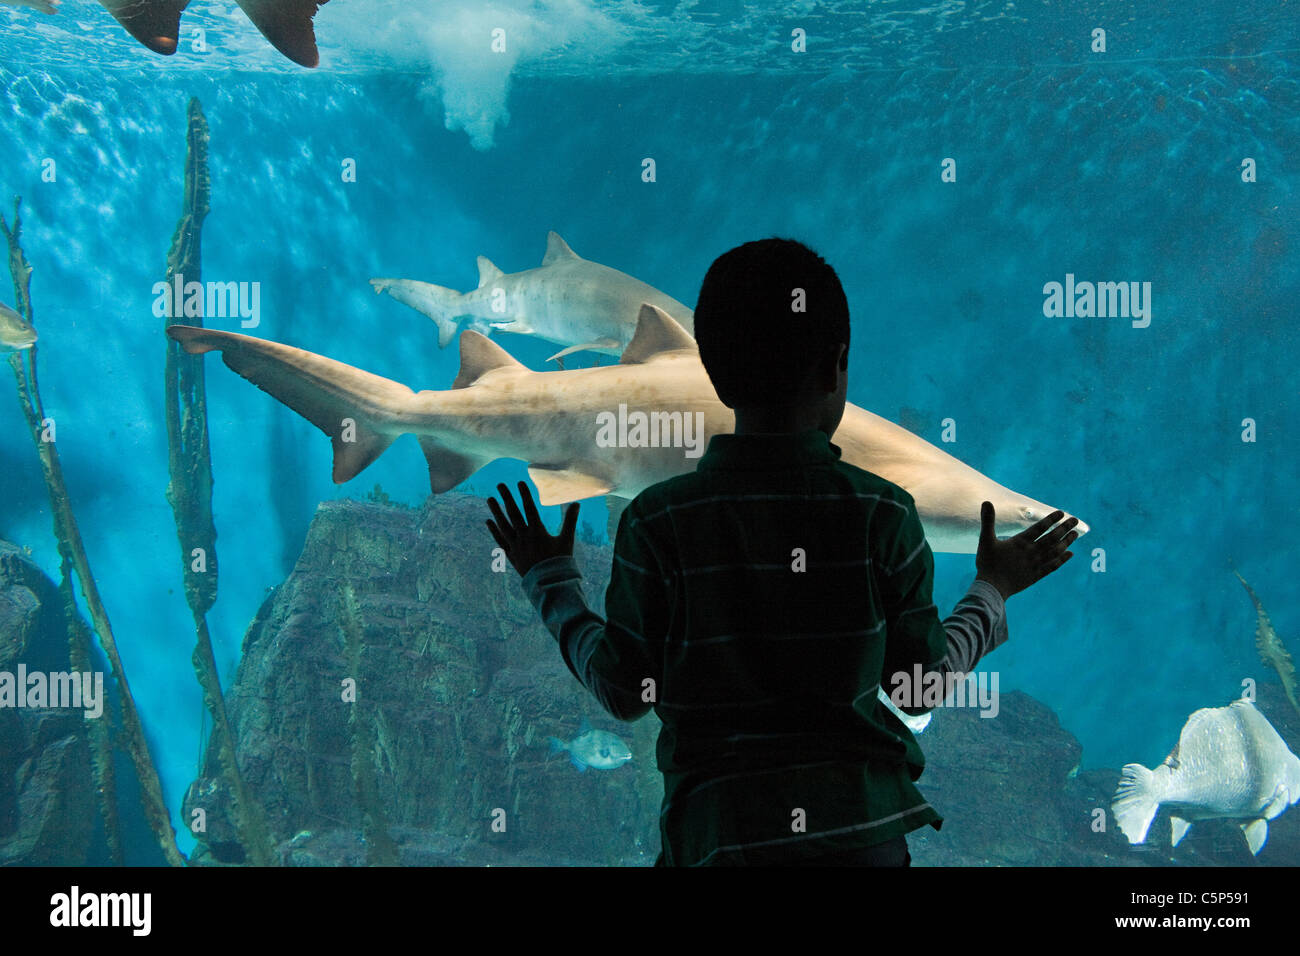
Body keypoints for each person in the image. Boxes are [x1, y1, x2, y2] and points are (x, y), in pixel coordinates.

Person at [486, 237, 1078, 866]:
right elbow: (916, 687)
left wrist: (550, 581)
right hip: (859, 845)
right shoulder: (883, 514)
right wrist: (992, 589)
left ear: (709, 368)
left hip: (716, 843)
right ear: (838, 364)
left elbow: (625, 690)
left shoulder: (655, 523)